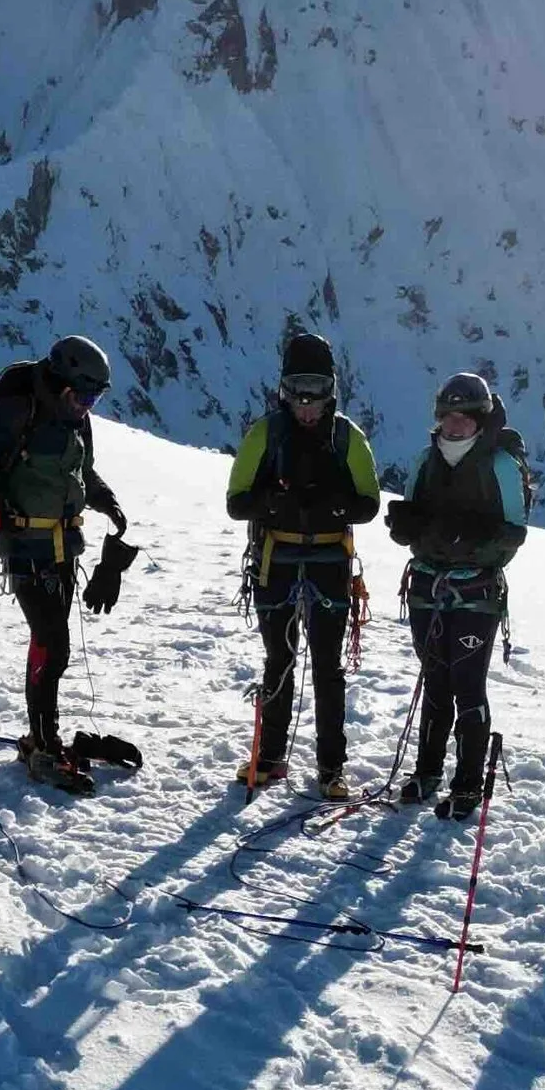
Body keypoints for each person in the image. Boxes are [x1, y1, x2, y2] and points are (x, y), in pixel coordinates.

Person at [0, 332, 126, 795]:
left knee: (52, 644)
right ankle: (41, 743)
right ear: (59, 384)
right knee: (52, 644)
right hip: (25, 548)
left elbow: (80, 473)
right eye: (84, 395)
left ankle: (42, 736)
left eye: (96, 397)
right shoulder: (16, 413)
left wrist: (107, 502)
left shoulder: (77, 422)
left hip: (62, 548)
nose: (88, 405)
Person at [225, 331, 381, 795]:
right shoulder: (274, 434)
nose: (307, 402)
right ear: (284, 390)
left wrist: (321, 504)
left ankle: (328, 766)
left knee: (325, 665)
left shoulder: (341, 436)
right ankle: (275, 758)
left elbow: (369, 503)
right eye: (298, 390)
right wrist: (279, 501)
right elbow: (237, 502)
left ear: (331, 389)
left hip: (311, 562)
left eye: (315, 390)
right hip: (294, 561)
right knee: (281, 659)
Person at [383, 370, 529, 816]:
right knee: (436, 682)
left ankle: (465, 784)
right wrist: (406, 527)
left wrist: (469, 542)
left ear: (480, 419)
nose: (455, 423)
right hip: (430, 585)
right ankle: (427, 773)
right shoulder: (425, 461)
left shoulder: (501, 465)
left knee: (467, 686)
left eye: (465, 415)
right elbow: (411, 520)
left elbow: (515, 533)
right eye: (448, 415)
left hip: (474, 591)